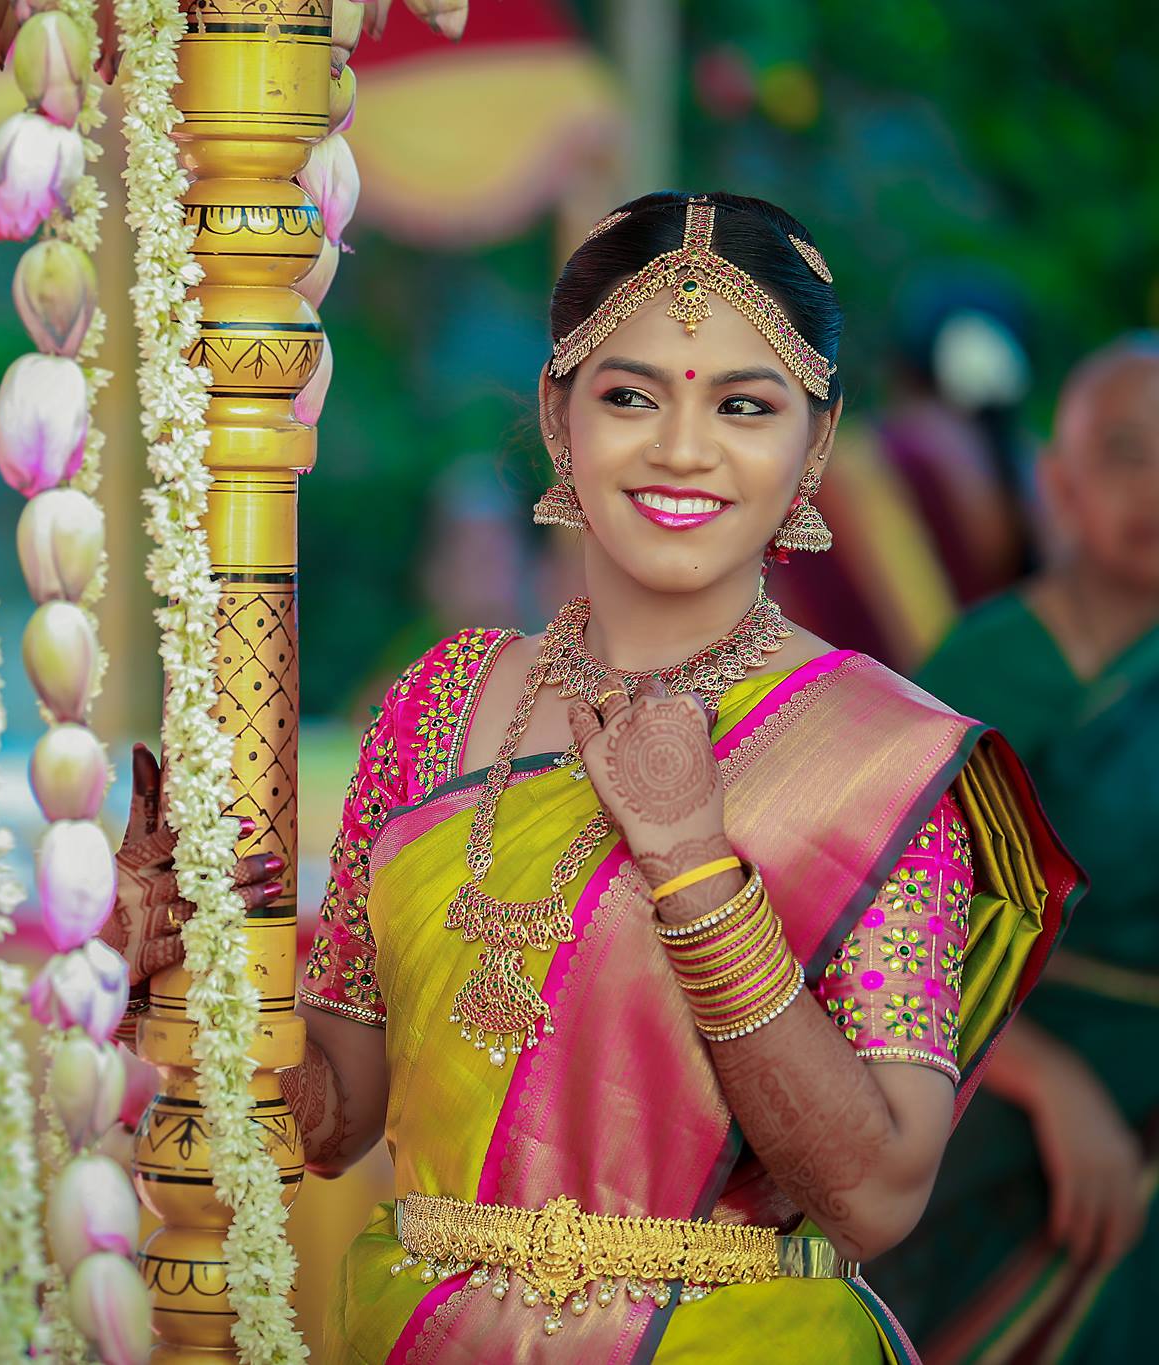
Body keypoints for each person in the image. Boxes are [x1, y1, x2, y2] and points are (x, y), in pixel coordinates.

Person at [104, 191, 1079, 1363]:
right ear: (556, 419)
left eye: (742, 405)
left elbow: (872, 1197)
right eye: (629, 396)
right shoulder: (439, 704)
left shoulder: (878, 758)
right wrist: (183, 982)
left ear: (811, 444)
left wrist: (691, 863)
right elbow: (334, 1118)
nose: (680, 448)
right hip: (421, 1335)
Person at [871, 339, 1159, 1362]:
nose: (1152, 489)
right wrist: (1047, 1083)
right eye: (1125, 453)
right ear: (1056, 481)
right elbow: (883, 925)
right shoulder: (977, 663)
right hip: (979, 1060)